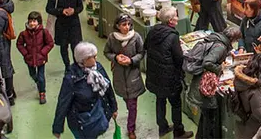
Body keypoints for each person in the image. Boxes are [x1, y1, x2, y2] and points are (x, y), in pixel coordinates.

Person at [144, 7, 193, 138]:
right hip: (169, 77)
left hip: (155, 74)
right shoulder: (172, 36)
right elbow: (178, 58)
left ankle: (163, 127)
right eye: (176, 16)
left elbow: (145, 47)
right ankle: (179, 131)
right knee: (176, 104)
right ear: (171, 21)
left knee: (160, 101)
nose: (178, 18)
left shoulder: (153, 30)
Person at [53, 42, 117, 139]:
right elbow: (63, 102)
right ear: (83, 60)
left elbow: (108, 88)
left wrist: (113, 108)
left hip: (97, 115)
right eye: (93, 57)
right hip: (81, 122)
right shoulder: (72, 78)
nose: (96, 59)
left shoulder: (98, 68)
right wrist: (57, 128)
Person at [187, 26, 242, 139]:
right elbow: (207, 62)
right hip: (205, 85)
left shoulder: (217, 39)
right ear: (233, 38)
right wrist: (219, 68)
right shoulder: (220, 47)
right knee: (209, 117)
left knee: (205, 115)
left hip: (202, 82)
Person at [103, 14, 146, 139]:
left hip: (132, 74)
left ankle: (131, 129)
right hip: (119, 75)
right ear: (117, 26)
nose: (127, 27)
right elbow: (106, 52)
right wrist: (116, 58)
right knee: (127, 99)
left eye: (128, 24)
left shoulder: (136, 37)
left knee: (132, 104)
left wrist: (131, 61)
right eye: (123, 25)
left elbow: (141, 52)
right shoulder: (112, 38)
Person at [46, 0, 84, 70]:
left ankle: (77, 65)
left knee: (76, 46)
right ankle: (67, 65)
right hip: (61, 24)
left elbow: (80, 6)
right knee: (64, 46)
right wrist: (61, 11)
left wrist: (74, 11)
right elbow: (49, 8)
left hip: (74, 23)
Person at [16, 11, 54, 105]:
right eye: (30, 21)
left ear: (39, 22)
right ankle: (38, 83)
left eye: (34, 21)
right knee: (32, 74)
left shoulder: (44, 32)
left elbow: (50, 43)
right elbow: (19, 44)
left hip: (41, 59)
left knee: (41, 77)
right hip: (29, 59)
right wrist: (26, 54)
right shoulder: (24, 34)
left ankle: (42, 93)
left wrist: (42, 53)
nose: (32, 23)